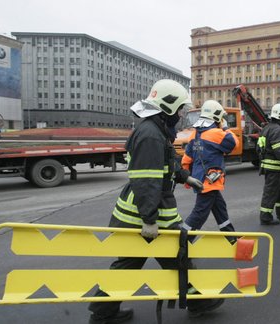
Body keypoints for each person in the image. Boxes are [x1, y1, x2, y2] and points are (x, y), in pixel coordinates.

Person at [88, 80, 224, 324]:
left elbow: (164, 164)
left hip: (143, 211)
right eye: (180, 109)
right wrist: (149, 220)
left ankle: (103, 312)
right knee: (175, 256)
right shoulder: (151, 134)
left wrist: (185, 176)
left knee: (133, 264)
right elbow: (146, 180)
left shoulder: (154, 129)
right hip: (146, 214)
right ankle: (197, 302)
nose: (182, 115)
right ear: (167, 106)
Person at [181, 100, 239, 239]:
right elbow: (234, 144)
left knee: (220, 208)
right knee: (199, 214)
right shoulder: (217, 133)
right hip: (210, 181)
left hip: (199, 179)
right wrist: (225, 128)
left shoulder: (194, 135)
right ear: (217, 116)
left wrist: (188, 179)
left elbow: (186, 159)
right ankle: (182, 242)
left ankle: (231, 237)